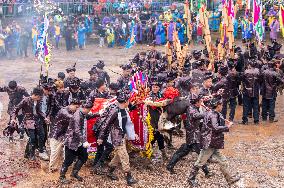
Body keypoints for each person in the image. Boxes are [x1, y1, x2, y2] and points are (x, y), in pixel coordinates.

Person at [187, 98, 240, 186]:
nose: (222, 106)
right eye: (221, 105)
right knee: (200, 162)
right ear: (218, 106)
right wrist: (227, 127)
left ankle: (230, 179)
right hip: (209, 143)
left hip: (213, 142)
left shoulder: (211, 112)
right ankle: (191, 178)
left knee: (223, 161)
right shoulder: (212, 115)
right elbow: (215, 128)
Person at [97, 92, 138, 186]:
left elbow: (127, 123)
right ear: (126, 101)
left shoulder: (124, 109)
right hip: (116, 137)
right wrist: (100, 137)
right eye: (129, 101)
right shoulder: (115, 110)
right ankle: (129, 178)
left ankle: (110, 170)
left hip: (123, 136)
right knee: (124, 156)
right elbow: (105, 124)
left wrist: (133, 134)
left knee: (118, 156)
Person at [167, 94, 212, 177]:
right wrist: (207, 114)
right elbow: (195, 116)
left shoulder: (195, 107)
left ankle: (170, 165)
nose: (202, 103)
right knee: (201, 154)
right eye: (200, 101)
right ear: (196, 102)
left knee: (183, 152)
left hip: (194, 134)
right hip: (193, 135)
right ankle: (207, 172)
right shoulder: (191, 109)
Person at [59, 102, 93, 183]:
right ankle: (62, 176)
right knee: (68, 160)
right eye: (89, 110)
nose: (89, 111)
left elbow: (88, 116)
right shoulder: (78, 116)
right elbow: (77, 130)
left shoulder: (83, 114)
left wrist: (98, 114)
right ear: (85, 108)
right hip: (72, 142)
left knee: (84, 156)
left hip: (79, 142)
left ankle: (74, 173)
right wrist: (84, 141)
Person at [11, 87, 46, 161]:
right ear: (36, 95)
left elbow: (39, 111)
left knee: (39, 136)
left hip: (36, 121)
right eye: (39, 97)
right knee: (32, 138)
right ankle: (31, 154)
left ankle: (27, 154)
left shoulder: (38, 101)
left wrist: (44, 117)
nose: (40, 98)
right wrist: (13, 118)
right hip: (28, 121)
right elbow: (15, 109)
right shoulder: (26, 100)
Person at [49, 99, 81, 172]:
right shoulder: (63, 111)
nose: (77, 109)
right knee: (55, 153)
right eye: (76, 107)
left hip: (65, 135)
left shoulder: (73, 112)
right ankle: (52, 169)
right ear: (71, 104)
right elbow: (73, 119)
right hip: (56, 135)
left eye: (78, 108)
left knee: (66, 153)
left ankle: (63, 168)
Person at [241, 59, 261, 124]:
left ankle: (245, 120)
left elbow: (242, 79)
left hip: (247, 91)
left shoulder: (246, 71)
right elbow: (260, 80)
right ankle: (256, 120)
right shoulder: (258, 71)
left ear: (249, 64)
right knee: (255, 105)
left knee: (246, 105)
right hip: (255, 91)